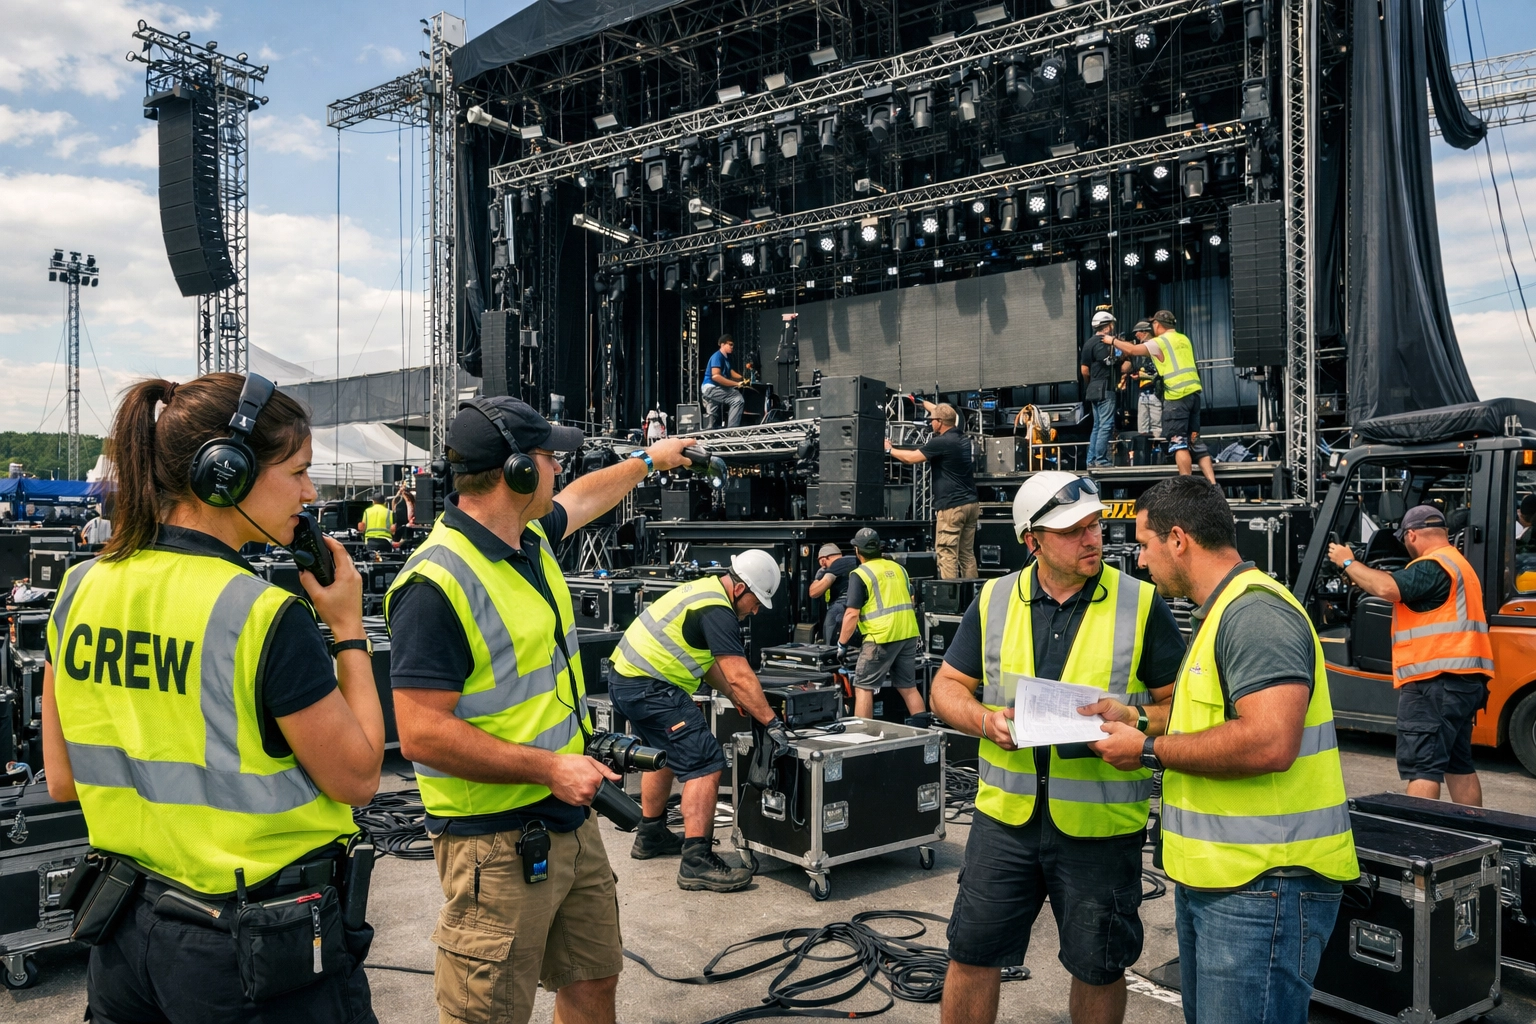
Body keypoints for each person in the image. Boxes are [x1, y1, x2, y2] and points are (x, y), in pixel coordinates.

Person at [42, 373, 386, 1023]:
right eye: (299, 471)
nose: (310, 494)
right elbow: (360, 776)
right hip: (251, 955)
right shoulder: (258, 614)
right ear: (225, 474)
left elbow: (63, 780)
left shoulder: (81, 587)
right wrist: (347, 628)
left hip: (124, 937)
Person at [385, 396, 697, 1024]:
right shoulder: (435, 584)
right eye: (549, 457)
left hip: (567, 820)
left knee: (592, 980)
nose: (558, 468)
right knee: (488, 1014)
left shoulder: (526, 537)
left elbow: (584, 498)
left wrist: (648, 461)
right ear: (517, 472)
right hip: (493, 845)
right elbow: (419, 734)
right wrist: (547, 769)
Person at [1092, 477, 1357, 1024]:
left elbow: (1269, 739)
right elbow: (1204, 721)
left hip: (1264, 887)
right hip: (1230, 883)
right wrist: (1135, 717)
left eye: (1144, 545)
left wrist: (1146, 749)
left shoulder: (1254, 614)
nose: (1141, 562)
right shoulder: (1221, 610)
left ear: (1179, 539)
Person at [927, 471, 1187, 1024]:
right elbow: (945, 687)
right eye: (1072, 529)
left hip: (1100, 830)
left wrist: (1137, 720)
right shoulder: (995, 599)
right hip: (1005, 824)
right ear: (1033, 540)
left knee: (1099, 967)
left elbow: (1181, 710)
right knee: (971, 954)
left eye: (1094, 525)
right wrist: (982, 719)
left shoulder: (1140, 604)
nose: (1091, 538)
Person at [608, 550, 789, 890]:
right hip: (650, 687)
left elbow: (705, 663)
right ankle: (697, 860)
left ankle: (650, 835)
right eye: (755, 602)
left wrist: (736, 697)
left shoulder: (702, 592)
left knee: (660, 753)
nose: (754, 611)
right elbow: (738, 673)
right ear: (739, 590)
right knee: (706, 761)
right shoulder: (718, 610)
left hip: (626, 681)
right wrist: (770, 721)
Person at [1327, 504, 1495, 806]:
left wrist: (1347, 561)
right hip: (1465, 682)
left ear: (1412, 535)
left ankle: (1419, 840)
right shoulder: (1461, 566)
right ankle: (1473, 834)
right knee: (1458, 765)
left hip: (1434, 684)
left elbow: (1386, 587)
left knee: (1423, 769)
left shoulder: (1431, 566)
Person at [1112, 310, 1214, 484]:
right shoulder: (1184, 339)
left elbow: (1133, 350)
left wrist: (1112, 341)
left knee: (1178, 443)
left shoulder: (1161, 341)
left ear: (1157, 325)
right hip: (1194, 395)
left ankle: (1186, 486)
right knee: (1195, 442)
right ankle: (1213, 484)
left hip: (1177, 396)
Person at [838, 528, 926, 720]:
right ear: (879, 548)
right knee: (908, 686)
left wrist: (842, 645)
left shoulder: (860, 574)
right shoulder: (899, 569)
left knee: (863, 686)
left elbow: (852, 614)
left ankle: (864, 738)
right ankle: (924, 731)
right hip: (908, 633)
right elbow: (910, 598)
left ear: (857, 551)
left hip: (881, 637)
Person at [886, 401, 979, 579]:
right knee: (967, 555)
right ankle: (974, 599)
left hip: (952, 507)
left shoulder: (941, 442)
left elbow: (911, 458)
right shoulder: (960, 434)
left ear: (940, 422)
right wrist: (920, 402)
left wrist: (890, 449)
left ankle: (951, 603)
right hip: (971, 504)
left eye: (932, 420)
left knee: (947, 554)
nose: (930, 423)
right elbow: (943, 412)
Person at [1081, 311, 1128, 467]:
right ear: (1107, 327)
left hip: (1093, 388)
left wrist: (1091, 383)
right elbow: (1116, 361)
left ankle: (1091, 460)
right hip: (1105, 388)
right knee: (1106, 425)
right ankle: (1101, 460)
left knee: (1097, 426)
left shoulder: (1088, 343)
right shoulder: (1106, 343)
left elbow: (1084, 370)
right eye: (1111, 325)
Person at [808, 541, 858, 644]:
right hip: (862, 605)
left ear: (823, 560)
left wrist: (819, 576)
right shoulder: (857, 561)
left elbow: (814, 592)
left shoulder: (836, 565)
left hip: (842, 605)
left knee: (830, 636)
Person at [701, 334, 746, 428]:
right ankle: (732, 430)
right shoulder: (717, 356)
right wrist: (737, 384)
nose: (732, 347)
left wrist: (743, 379)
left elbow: (731, 372)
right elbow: (716, 376)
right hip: (711, 388)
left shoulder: (726, 359)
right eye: (730, 344)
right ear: (722, 344)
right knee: (737, 398)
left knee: (712, 416)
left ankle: (710, 432)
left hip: (714, 389)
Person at [1129, 320, 1163, 439]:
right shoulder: (1141, 349)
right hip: (1143, 392)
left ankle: (1157, 452)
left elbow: (1158, 373)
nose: (1136, 335)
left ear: (1144, 332)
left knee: (1156, 426)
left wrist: (1141, 376)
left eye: (1137, 332)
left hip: (1154, 392)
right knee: (1143, 427)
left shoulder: (1154, 345)